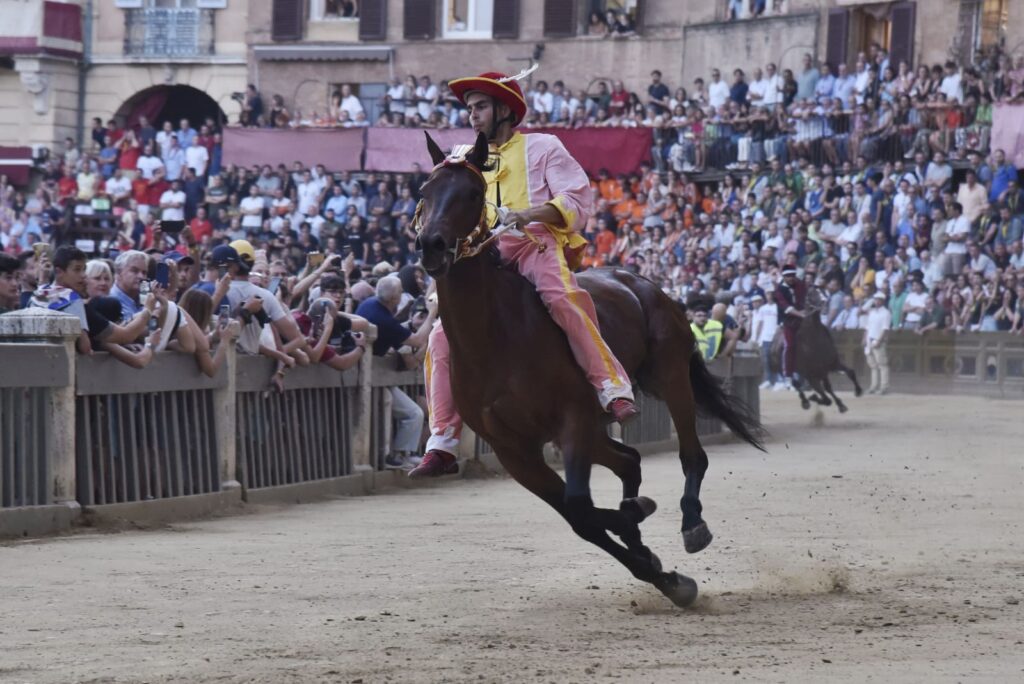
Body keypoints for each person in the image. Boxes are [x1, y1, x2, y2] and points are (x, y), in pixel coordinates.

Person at [414, 69, 639, 478]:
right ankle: (442, 441)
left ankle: (612, 388)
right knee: (440, 335)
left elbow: (575, 200)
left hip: (535, 243)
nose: (472, 116)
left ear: (504, 109)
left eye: (480, 107)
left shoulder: (544, 146)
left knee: (563, 300)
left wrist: (524, 214)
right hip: (487, 252)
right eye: (469, 108)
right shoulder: (464, 155)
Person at [355, 276, 438, 470]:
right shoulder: (383, 319)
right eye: (400, 292)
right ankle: (399, 455)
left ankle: (404, 454)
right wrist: (432, 313)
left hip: (374, 377)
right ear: (394, 298)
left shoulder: (371, 304)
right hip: (370, 378)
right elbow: (417, 341)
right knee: (414, 413)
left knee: (414, 412)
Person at [773, 266, 807, 388]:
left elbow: (805, 298)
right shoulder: (779, 291)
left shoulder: (800, 285)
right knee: (790, 345)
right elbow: (786, 307)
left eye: (793, 275)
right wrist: (801, 314)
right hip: (788, 321)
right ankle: (788, 376)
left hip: (802, 319)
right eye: (788, 276)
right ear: (784, 277)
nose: (791, 278)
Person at [863, 290, 892, 394]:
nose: (876, 301)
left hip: (877, 340)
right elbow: (867, 327)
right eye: (875, 299)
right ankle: (873, 386)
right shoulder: (872, 312)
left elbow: (885, 328)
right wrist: (864, 338)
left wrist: (879, 340)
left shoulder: (886, 313)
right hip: (869, 339)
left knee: (882, 364)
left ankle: (884, 387)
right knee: (873, 365)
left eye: (879, 300)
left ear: (883, 301)